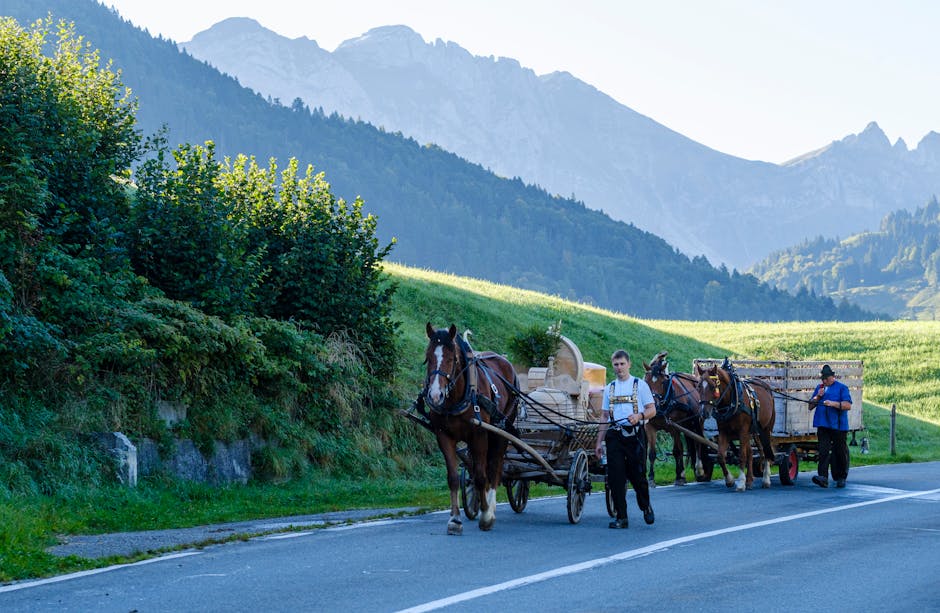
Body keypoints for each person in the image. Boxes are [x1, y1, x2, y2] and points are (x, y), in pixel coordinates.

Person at [594, 350, 656, 528]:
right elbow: (604, 416)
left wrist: (639, 416)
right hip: (615, 436)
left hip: (635, 435)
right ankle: (622, 517)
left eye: (622, 364)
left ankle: (645, 506)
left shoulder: (640, 385)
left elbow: (652, 410)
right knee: (615, 478)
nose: (619, 368)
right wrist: (599, 442)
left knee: (638, 476)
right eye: (616, 364)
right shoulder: (610, 388)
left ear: (629, 364)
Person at [809, 364, 853, 488]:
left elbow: (847, 405)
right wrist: (818, 396)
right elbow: (810, 406)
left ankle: (841, 477)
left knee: (839, 451)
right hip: (823, 425)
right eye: (823, 379)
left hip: (838, 426)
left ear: (832, 377)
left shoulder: (842, 388)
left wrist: (833, 404)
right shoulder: (820, 388)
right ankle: (823, 477)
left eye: (826, 379)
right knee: (823, 451)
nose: (824, 381)